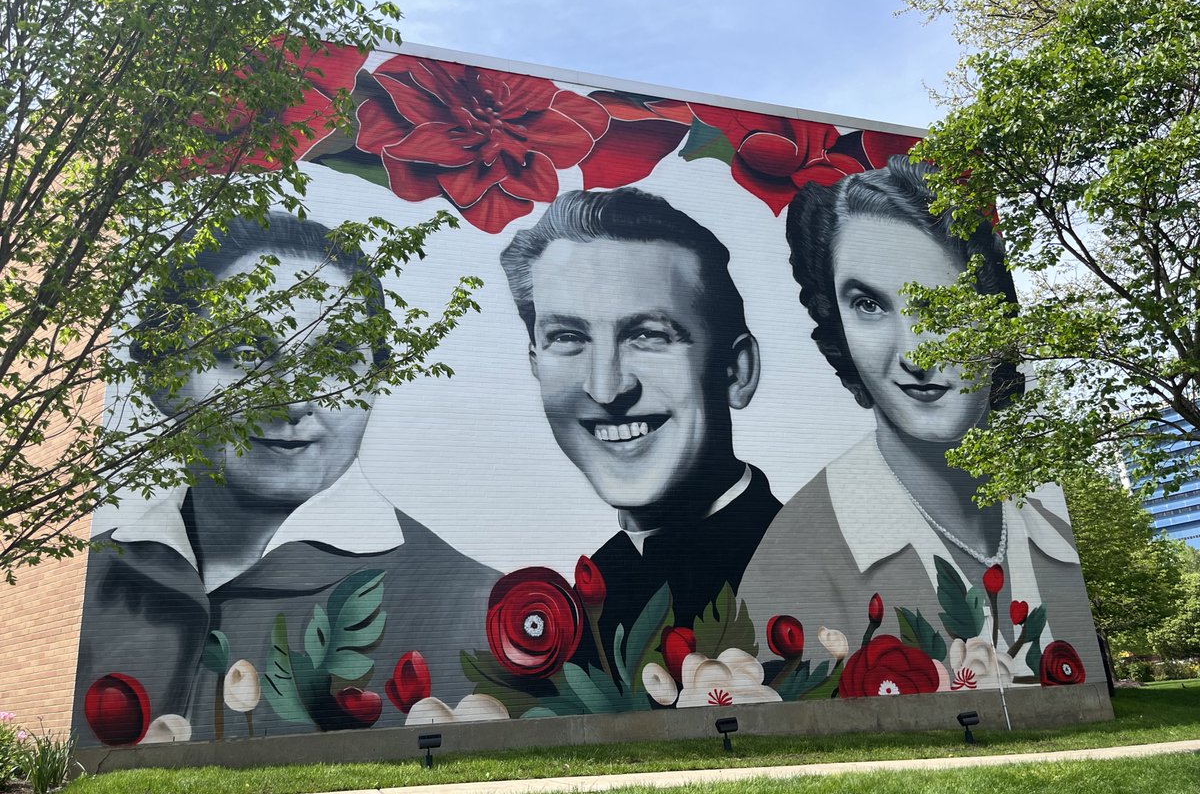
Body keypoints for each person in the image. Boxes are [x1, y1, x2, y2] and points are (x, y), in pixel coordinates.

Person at [73, 213, 499, 745]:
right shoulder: (86, 587)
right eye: (247, 354)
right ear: (161, 378)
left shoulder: (477, 608)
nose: (296, 398)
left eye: (336, 358)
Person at [740, 157, 1102, 690]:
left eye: (941, 304)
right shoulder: (795, 559)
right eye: (869, 305)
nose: (914, 352)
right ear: (834, 323)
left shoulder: (1048, 519)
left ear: (995, 311)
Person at [499, 188, 781, 660]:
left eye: (648, 335)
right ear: (535, 363)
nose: (606, 389)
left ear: (736, 371)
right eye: (568, 338)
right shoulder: (583, 602)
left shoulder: (813, 565)